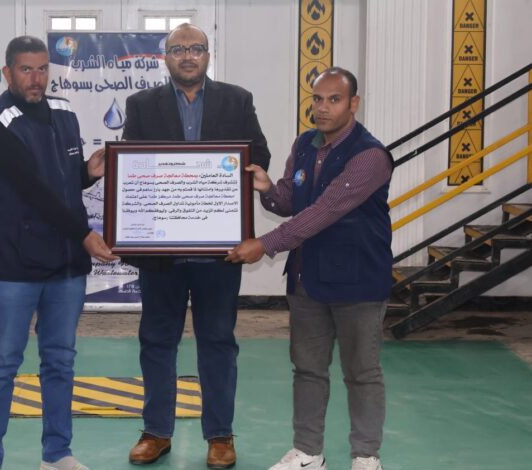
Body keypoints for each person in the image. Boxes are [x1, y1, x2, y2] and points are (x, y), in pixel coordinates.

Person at [225, 67, 393, 470]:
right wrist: (268, 188)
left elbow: (324, 212)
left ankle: (365, 455)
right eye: (317, 99)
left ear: (353, 103)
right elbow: (291, 200)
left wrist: (265, 244)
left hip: (358, 282)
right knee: (308, 370)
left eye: (334, 99)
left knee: (361, 372)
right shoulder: (304, 144)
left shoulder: (370, 156)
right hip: (307, 280)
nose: (322, 107)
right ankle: (308, 452)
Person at [122, 23, 271, 469]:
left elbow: (259, 153)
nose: (188, 56)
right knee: (156, 341)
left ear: (208, 55)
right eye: (178, 49)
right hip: (160, 252)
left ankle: (220, 435)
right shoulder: (141, 104)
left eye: (196, 48)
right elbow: (130, 165)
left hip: (219, 250)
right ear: (165, 57)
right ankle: (156, 432)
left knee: (218, 343)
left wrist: (241, 173)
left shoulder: (237, 100)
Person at [0, 36, 117, 470]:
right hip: (13, 266)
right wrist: (85, 234)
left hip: (65, 265)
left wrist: (87, 173)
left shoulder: (65, 111)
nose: (35, 78)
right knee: (2, 363)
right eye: (25, 69)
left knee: (60, 362)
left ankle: (57, 454)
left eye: (41, 69)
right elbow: (31, 188)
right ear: (7, 73)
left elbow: (62, 180)